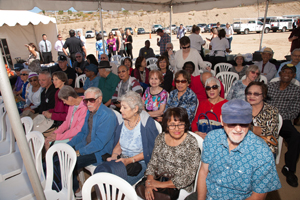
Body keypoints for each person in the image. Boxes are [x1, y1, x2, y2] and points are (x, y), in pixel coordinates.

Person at [186, 99, 281, 200]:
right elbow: (204, 172)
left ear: (250, 122)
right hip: (209, 193)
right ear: (222, 120)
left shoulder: (262, 153)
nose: (238, 129)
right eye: (232, 122)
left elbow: (258, 196)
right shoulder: (212, 138)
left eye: (243, 123)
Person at [94, 91, 159, 185]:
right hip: (123, 158)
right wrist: (114, 156)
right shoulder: (123, 121)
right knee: (102, 175)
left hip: (140, 162)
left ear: (135, 109)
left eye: (124, 107)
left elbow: (152, 151)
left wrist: (129, 160)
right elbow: (119, 143)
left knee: (116, 185)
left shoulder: (147, 124)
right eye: (121, 107)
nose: (121, 110)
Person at [67, 87, 116, 196]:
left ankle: (73, 191)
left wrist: (79, 152)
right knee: (58, 156)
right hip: (86, 145)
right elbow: (82, 133)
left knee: (66, 162)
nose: (88, 103)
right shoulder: (90, 112)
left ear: (99, 99)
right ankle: (72, 189)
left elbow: (99, 143)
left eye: (91, 100)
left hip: (98, 153)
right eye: (86, 100)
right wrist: (68, 146)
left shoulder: (107, 115)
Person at [143, 107, 201, 200]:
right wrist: (150, 182)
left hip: (179, 189)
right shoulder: (160, 138)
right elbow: (153, 164)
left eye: (180, 124)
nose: (177, 129)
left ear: (185, 124)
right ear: (166, 125)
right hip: (158, 180)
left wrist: (160, 185)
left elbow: (188, 177)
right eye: (172, 125)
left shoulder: (191, 142)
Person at [267, 64, 300, 187]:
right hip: (267, 118)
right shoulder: (270, 86)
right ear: (280, 74)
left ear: (293, 75)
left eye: (290, 72)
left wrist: (279, 118)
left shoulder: (297, 90)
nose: (286, 74)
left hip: (283, 120)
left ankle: (289, 169)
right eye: (284, 71)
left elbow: (295, 111)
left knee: (296, 137)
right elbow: (262, 101)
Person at [44, 85, 88, 150]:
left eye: (64, 100)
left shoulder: (85, 107)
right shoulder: (72, 105)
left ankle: (54, 159)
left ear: (70, 98)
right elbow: (66, 122)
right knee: (47, 141)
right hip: (69, 134)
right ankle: (49, 159)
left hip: (77, 137)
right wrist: (55, 133)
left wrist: (59, 136)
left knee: (53, 147)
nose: (64, 103)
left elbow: (78, 130)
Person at [245, 82, 279, 156]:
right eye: (249, 93)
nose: (251, 96)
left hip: (265, 147)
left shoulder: (271, 110)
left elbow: (267, 131)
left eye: (256, 94)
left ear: (264, 95)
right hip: (245, 145)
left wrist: (247, 127)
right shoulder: (243, 108)